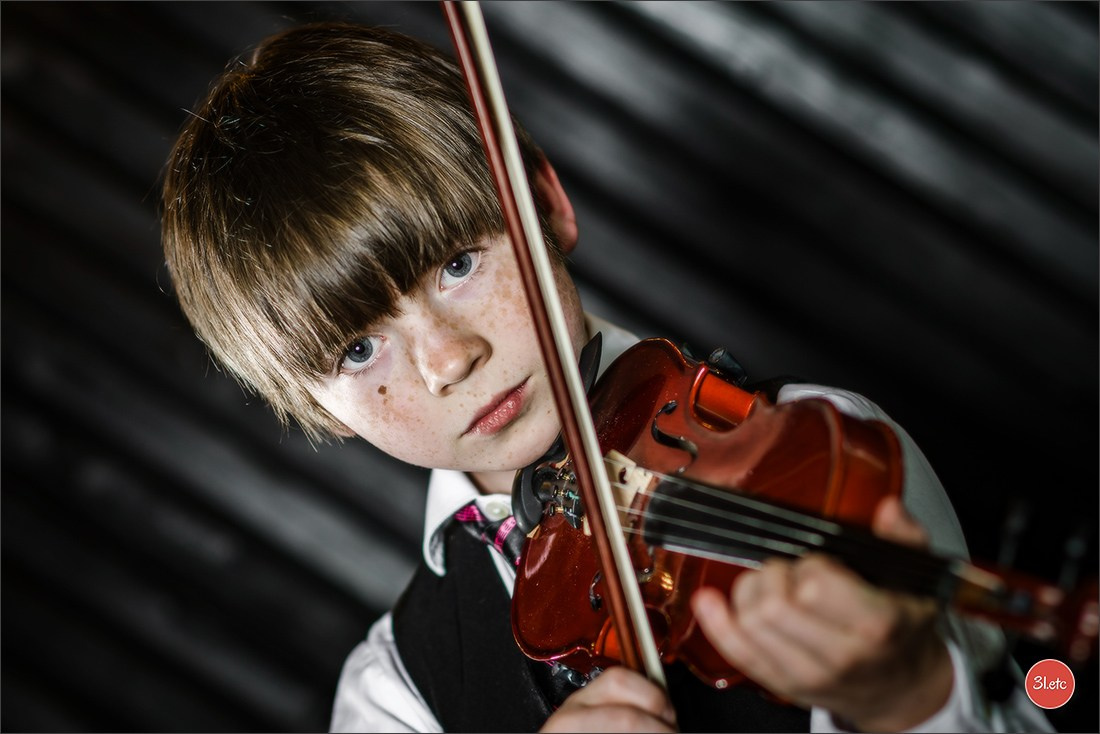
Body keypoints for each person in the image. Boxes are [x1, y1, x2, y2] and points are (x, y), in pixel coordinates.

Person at [161, 20, 1051, 733]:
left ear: (546, 205)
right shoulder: (398, 695)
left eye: (458, 265)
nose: (449, 358)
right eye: (358, 349)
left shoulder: (816, 451)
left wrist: (911, 703)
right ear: (314, 406)